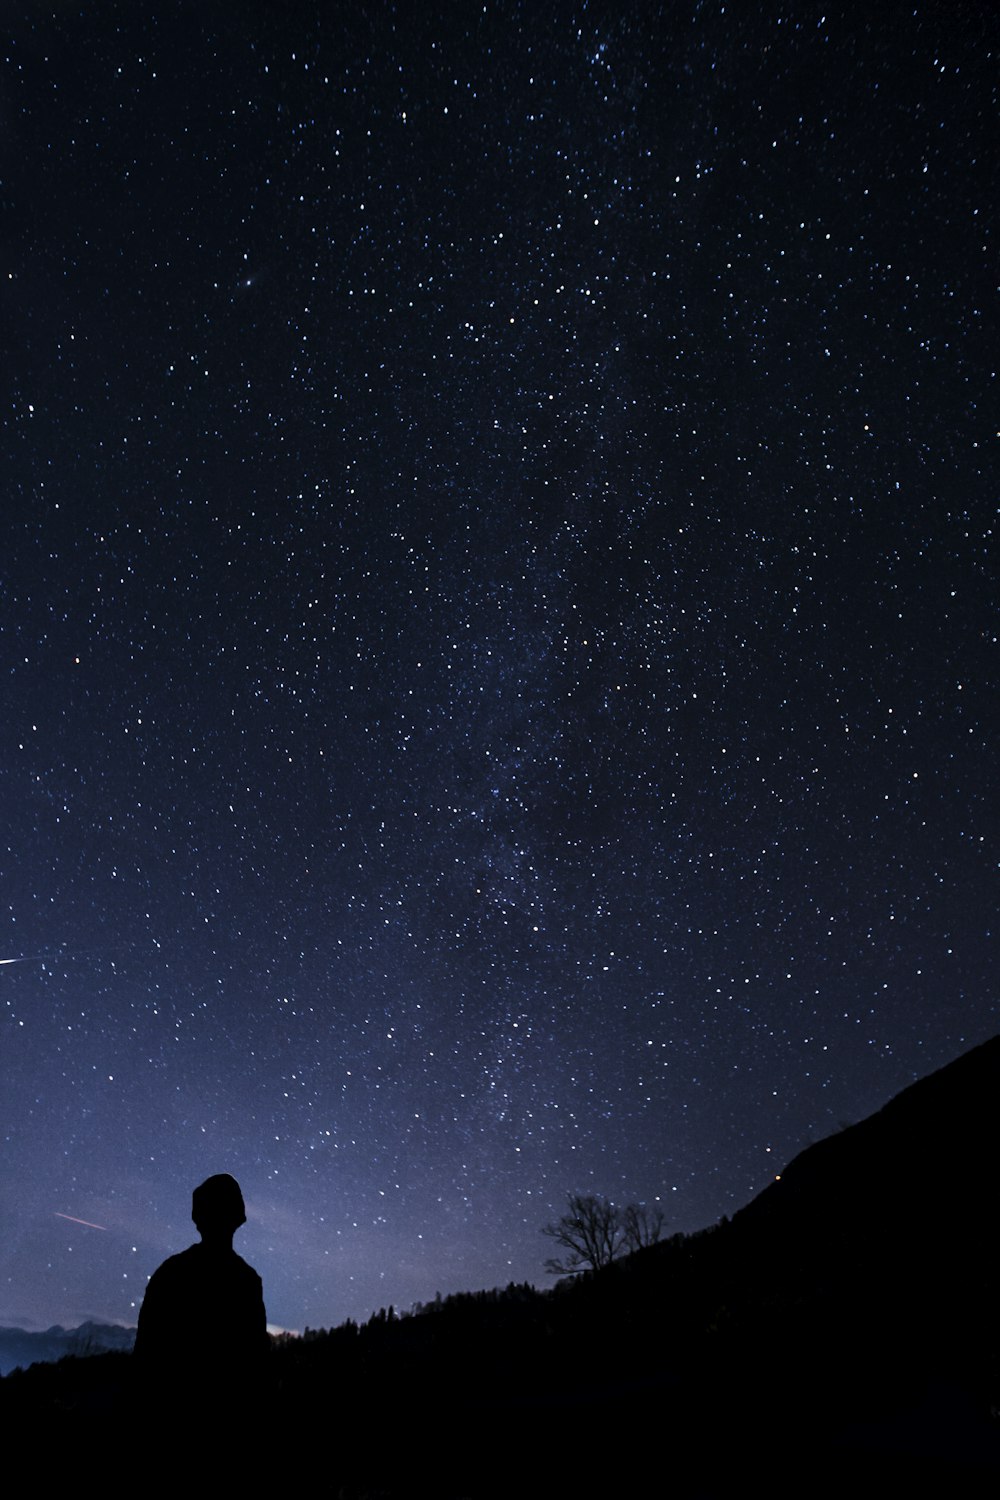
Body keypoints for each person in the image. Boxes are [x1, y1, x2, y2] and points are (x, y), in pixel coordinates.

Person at [134, 1173, 269, 1421]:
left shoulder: (172, 1273)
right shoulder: (246, 1281)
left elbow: (146, 1356)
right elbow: (256, 1365)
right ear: (237, 1217)